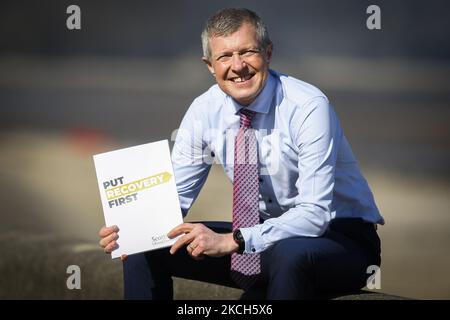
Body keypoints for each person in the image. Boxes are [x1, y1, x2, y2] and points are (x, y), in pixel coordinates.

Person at [98, 7, 384, 300]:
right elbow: (173, 200)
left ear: (268, 53)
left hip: (341, 239)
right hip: (261, 238)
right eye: (224, 56)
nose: (238, 66)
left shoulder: (308, 106)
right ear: (209, 65)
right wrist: (132, 232)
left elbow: (314, 215)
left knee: (290, 255)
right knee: (145, 247)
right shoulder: (204, 110)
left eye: (247, 52)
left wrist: (234, 240)